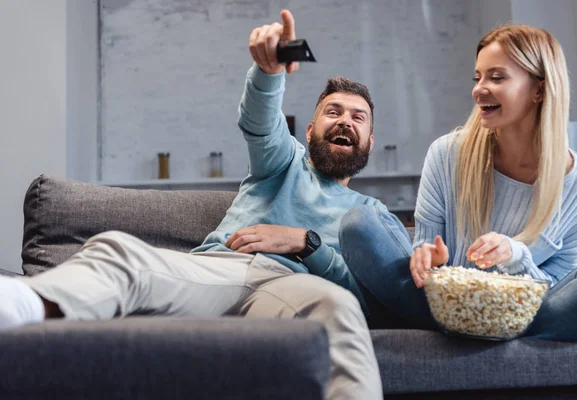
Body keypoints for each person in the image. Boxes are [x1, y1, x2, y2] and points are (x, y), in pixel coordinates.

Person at [0, 10, 386, 399]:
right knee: (121, 251)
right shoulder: (284, 159)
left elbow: (368, 297)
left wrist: (307, 243)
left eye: (358, 117)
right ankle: (17, 305)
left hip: (297, 290)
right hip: (220, 271)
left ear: (369, 141)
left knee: (337, 306)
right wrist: (269, 73)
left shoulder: (371, 214)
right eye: (333, 112)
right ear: (309, 129)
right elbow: (259, 123)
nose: (344, 122)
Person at [339, 25, 577, 341]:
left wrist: (516, 257)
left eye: (497, 77)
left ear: (539, 90)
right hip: (437, 305)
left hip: (521, 317)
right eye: (478, 78)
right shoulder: (446, 153)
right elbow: (425, 245)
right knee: (359, 223)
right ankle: (482, 337)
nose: (480, 89)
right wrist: (426, 259)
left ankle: (477, 336)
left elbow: (558, 291)